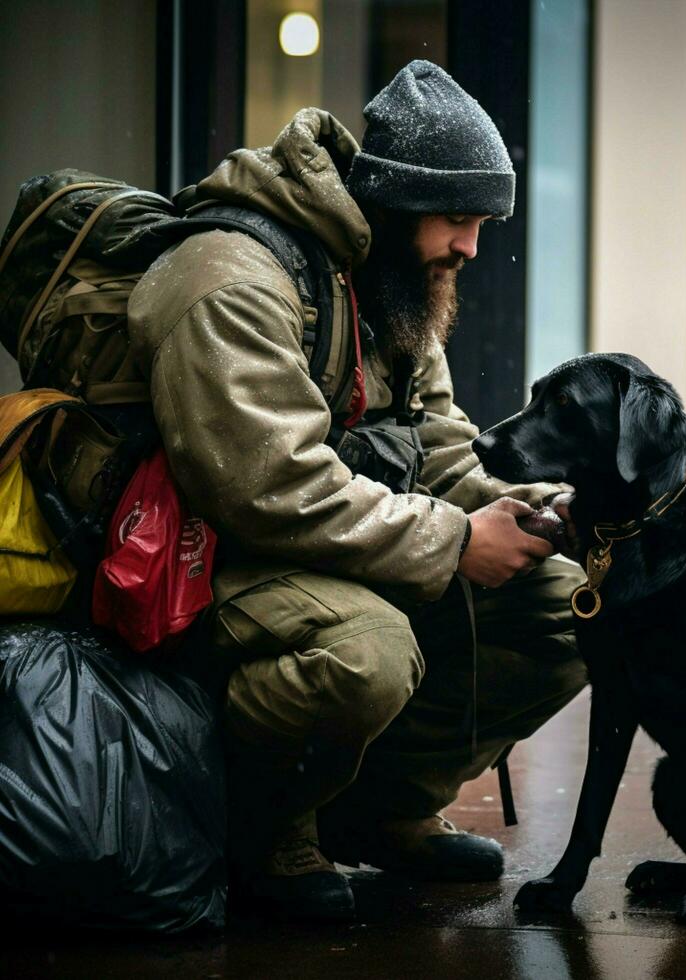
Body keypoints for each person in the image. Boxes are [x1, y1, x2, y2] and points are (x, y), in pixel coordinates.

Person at [127, 60, 587, 921]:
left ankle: (381, 812)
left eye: (481, 223)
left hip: (323, 553)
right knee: (365, 653)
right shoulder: (233, 278)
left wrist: (537, 509)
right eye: (458, 220)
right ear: (394, 202)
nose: (471, 248)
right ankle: (264, 831)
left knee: (567, 605)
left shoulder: (392, 285)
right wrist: (453, 541)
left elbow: (441, 453)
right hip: (200, 568)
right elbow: (267, 487)